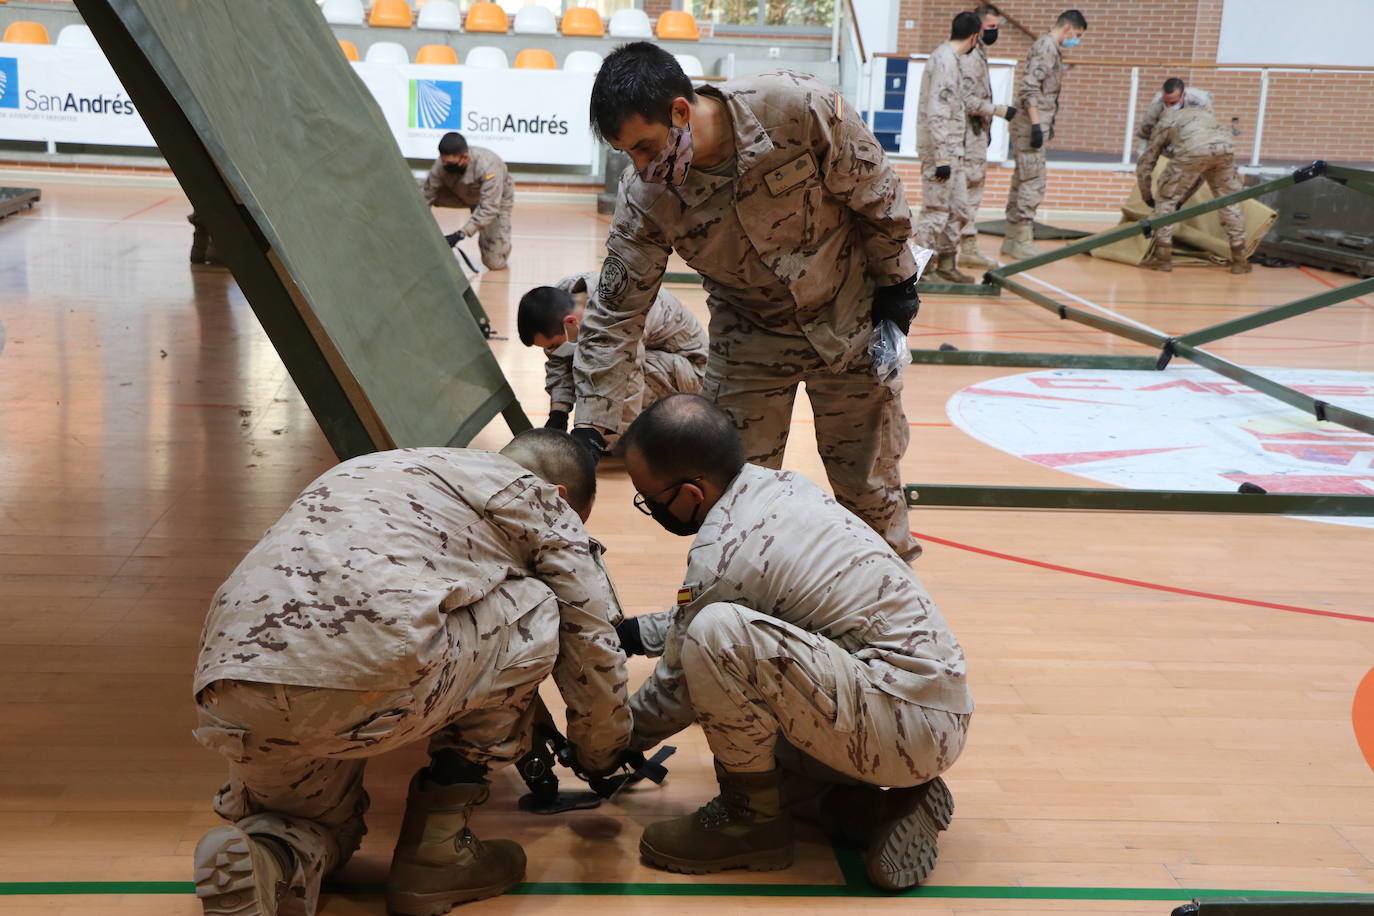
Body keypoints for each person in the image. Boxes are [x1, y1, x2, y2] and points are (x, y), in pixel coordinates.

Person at [190, 431, 632, 916]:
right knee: (539, 609)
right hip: (367, 677)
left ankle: (267, 856)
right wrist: (599, 754)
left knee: (310, 823)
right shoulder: (538, 499)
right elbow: (592, 646)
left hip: (232, 683)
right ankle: (438, 850)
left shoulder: (373, 466)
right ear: (562, 497)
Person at [576, 42, 926, 562]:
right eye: (628, 153)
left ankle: (895, 624)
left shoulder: (797, 110)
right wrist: (592, 428)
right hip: (750, 341)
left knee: (870, 494)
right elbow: (616, 311)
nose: (642, 166)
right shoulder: (646, 195)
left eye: (646, 147)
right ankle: (745, 624)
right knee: (733, 499)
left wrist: (898, 283)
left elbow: (877, 193)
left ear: (680, 111)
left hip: (850, 319)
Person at [614, 394, 973, 890]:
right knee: (745, 722)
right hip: (926, 702)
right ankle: (872, 809)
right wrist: (633, 634)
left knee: (717, 643)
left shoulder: (725, 552)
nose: (650, 508)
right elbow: (719, 606)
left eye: (650, 499)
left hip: (906, 720)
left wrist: (606, 743)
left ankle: (750, 822)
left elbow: (676, 685)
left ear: (692, 493)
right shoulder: (776, 488)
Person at [518, 272, 707, 434]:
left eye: (552, 345)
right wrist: (558, 412)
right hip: (656, 355)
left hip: (692, 370)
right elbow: (559, 362)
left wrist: (604, 440)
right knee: (588, 362)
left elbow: (627, 382)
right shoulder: (560, 301)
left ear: (570, 322)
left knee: (598, 367)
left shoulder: (616, 314)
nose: (551, 351)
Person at [914, 11, 1006, 283]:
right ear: (975, 36)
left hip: (955, 149)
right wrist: (941, 157)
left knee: (962, 209)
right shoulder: (943, 60)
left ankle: (945, 262)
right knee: (935, 211)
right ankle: (917, 270)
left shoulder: (952, 60)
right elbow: (937, 112)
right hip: (941, 152)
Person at [1001, 9, 1088, 260]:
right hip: (1030, 124)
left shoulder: (1046, 46)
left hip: (1030, 122)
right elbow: (1029, 87)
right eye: (1078, 35)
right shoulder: (1047, 48)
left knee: (1023, 179)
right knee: (1033, 181)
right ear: (1069, 28)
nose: (1076, 40)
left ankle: (1011, 238)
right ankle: (1022, 239)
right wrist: (1037, 125)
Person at [1137, 106, 1250, 274]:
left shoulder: (1165, 122)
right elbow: (1199, 174)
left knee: (1166, 199)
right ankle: (1239, 259)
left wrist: (1147, 196)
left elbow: (1147, 162)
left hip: (1193, 149)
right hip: (1225, 147)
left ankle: (1163, 259)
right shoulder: (1205, 115)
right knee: (1228, 200)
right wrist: (1183, 198)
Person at [957, 4, 1014, 270]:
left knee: (971, 192)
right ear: (977, 29)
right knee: (964, 193)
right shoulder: (968, 57)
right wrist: (998, 110)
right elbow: (967, 100)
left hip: (977, 135)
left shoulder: (978, 53)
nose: (995, 33)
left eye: (997, 28)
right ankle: (956, 250)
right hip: (967, 136)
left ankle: (965, 248)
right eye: (991, 28)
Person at [422, 131, 515, 271]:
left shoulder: (488, 165)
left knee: (494, 263)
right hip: (460, 193)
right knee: (417, 189)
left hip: (494, 200)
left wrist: (460, 234)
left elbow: (489, 207)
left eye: (450, 163)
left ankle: (501, 240)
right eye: (443, 161)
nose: (445, 165)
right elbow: (426, 196)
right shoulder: (440, 165)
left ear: (464, 157)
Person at [1136, 77, 1213, 147]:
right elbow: (1146, 129)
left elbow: (1209, 121)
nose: (1169, 106)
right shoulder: (1157, 103)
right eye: (1166, 102)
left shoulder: (1200, 100)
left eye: (1173, 103)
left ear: (1183, 95)